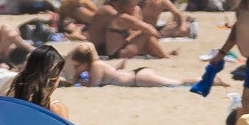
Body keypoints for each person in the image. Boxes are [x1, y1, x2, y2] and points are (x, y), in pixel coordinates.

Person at [69, 43, 214, 87]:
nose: (77, 69)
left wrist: (77, 77)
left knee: (178, 83)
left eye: (77, 66)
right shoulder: (96, 65)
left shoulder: (96, 65)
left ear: (84, 62)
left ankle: (209, 81)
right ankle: (208, 80)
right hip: (137, 75)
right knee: (177, 82)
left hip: (138, 79)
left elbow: (94, 86)